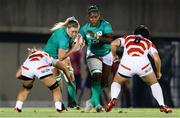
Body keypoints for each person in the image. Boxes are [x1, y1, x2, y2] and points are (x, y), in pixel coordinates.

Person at [105, 25, 172, 113]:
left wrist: (114, 56)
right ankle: (162, 105)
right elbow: (157, 59)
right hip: (143, 66)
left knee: (116, 82)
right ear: (147, 36)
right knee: (154, 84)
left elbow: (113, 43)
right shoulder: (149, 42)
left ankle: (113, 99)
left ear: (135, 33)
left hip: (126, 65)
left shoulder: (128, 38)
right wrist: (158, 72)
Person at [14, 48, 74, 113]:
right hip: (41, 67)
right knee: (56, 89)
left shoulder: (29, 58)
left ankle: (17, 107)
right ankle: (59, 108)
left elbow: (17, 75)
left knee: (25, 89)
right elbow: (64, 68)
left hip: (27, 68)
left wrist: (29, 78)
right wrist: (70, 82)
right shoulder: (47, 55)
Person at [44, 16, 84, 109]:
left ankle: (72, 103)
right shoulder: (63, 38)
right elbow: (61, 57)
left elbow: (72, 18)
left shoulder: (67, 30)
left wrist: (78, 43)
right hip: (50, 58)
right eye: (72, 31)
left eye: (76, 31)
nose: (74, 34)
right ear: (67, 28)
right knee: (58, 81)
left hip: (57, 55)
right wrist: (74, 49)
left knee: (71, 76)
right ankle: (61, 103)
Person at [80, 5, 114, 112]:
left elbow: (110, 39)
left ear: (99, 16)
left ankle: (91, 102)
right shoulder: (84, 28)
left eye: (95, 17)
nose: (94, 19)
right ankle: (97, 104)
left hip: (106, 54)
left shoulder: (105, 25)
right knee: (96, 75)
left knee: (103, 83)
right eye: (91, 17)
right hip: (93, 53)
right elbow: (82, 41)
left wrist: (96, 36)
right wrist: (79, 43)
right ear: (88, 18)